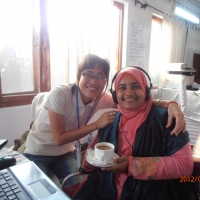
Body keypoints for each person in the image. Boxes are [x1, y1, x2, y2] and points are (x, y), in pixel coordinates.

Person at [24, 54, 186, 184]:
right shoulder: (60, 94)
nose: (94, 81)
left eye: (100, 76)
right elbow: (59, 138)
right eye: (89, 74)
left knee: (75, 185)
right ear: (78, 76)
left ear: (106, 82)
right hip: (39, 150)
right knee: (37, 191)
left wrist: (169, 103)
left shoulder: (104, 98)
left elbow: (130, 101)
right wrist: (96, 125)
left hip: (65, 152)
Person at [72, 66, 198, 200]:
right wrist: (89, 163)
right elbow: (90, 155)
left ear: (146, 90)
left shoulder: (167, 119)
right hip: (104, 190)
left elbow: (184, 165)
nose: (129, 93)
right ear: (115, 95)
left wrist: (133, 166)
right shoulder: (109, 121)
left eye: (135, 86)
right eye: (122, 88)